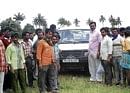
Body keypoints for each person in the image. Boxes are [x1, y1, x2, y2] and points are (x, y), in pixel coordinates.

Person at [36, 28, 55, 93]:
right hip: (43, 63)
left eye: (51, 34)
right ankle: (42, 90)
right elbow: (38, 54)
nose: (51, 35)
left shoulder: (50, 41)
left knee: (50, 76)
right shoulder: (41, 42)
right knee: (42, 78)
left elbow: (51, 51)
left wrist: (53, 61)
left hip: (50, 62)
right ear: (46, 34)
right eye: (49, 34)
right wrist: (40, 63)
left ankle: (50, 89)